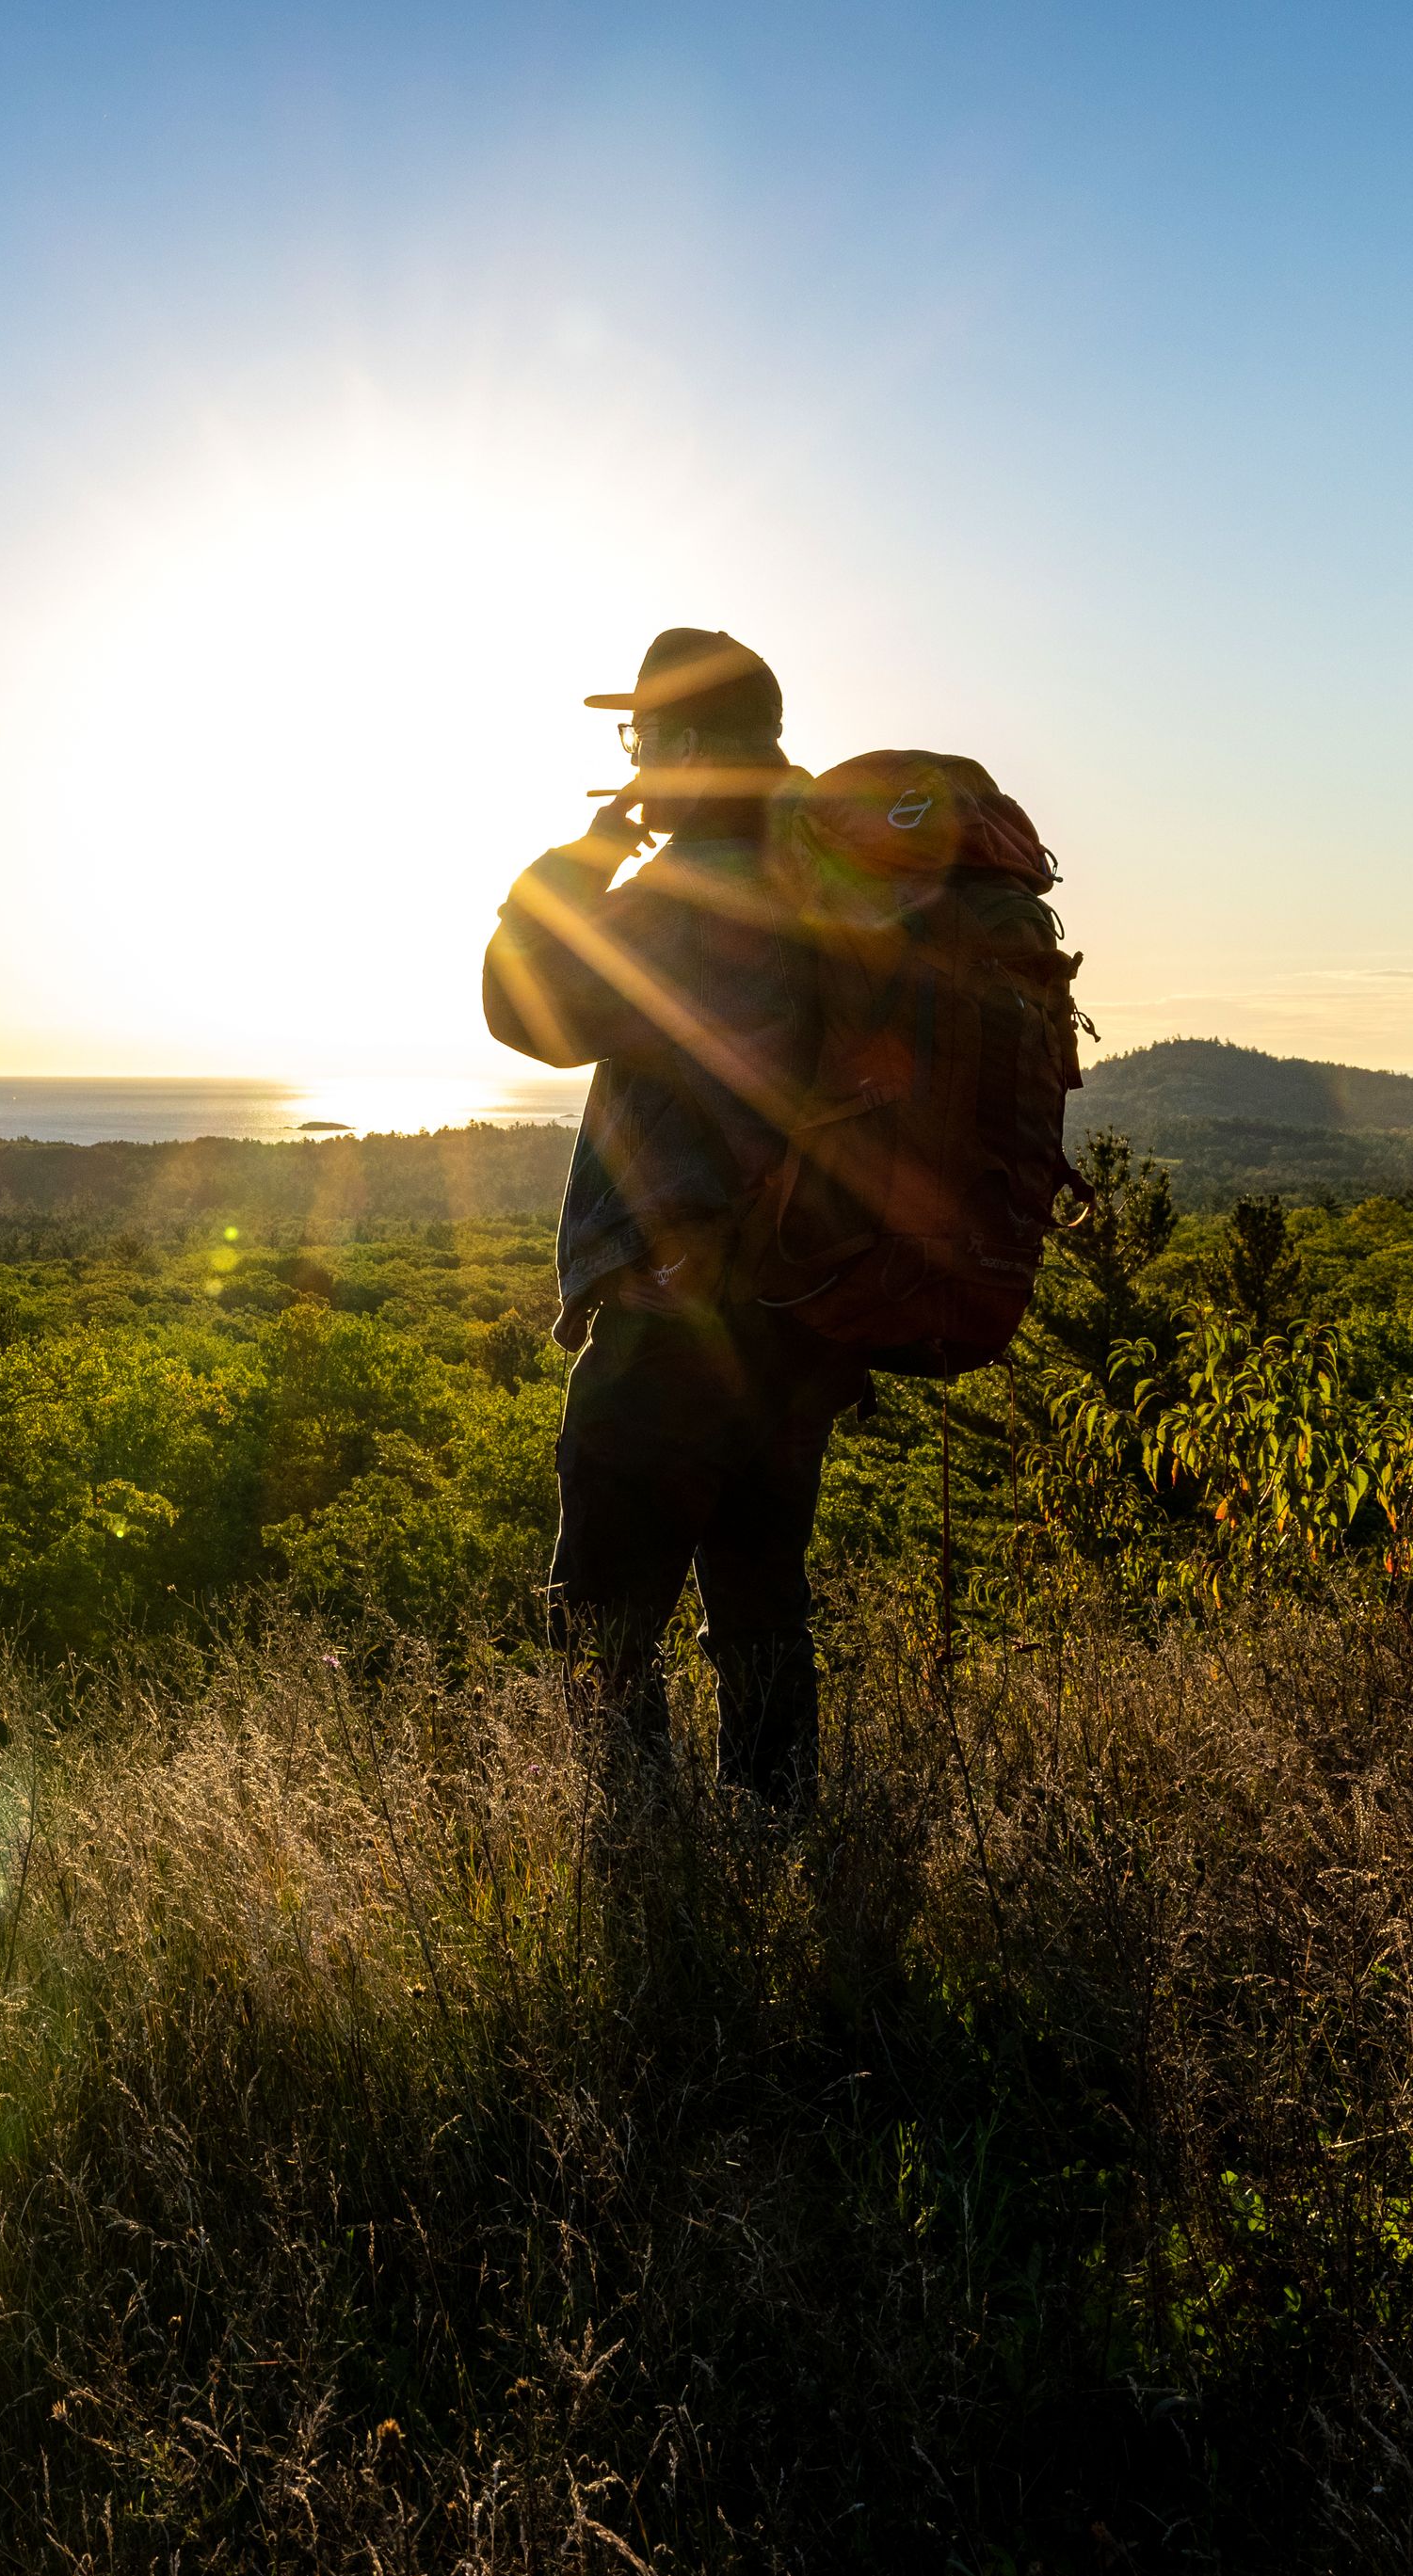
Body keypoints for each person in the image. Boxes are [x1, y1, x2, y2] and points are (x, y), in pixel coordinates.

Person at [482, 627, 856, 1797]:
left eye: (643, 736)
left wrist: (595, 848)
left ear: (685, 743)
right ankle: (776, 1833)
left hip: (674, 1314)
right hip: (796, 1317)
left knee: (600, 1620)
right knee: (761, 1602)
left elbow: (521, 1007)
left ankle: (643, 1859)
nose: (634, 756)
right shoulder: (824, 884)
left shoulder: (692, 895)